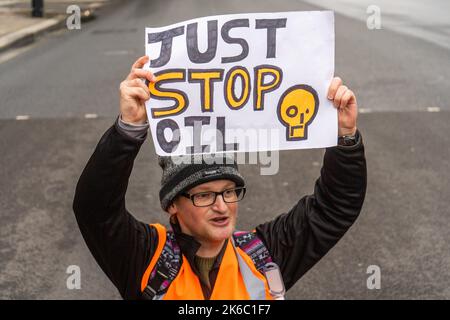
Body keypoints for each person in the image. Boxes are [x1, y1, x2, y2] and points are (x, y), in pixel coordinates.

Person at [73, 55, 367, 300]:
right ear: (172, 203)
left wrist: (345, 136)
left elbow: (334, 208)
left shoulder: (263, 256)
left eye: (229, 191)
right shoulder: (143, 256)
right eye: (203, 195)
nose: (222, 206)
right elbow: (95, 209)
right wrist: (128, 130)